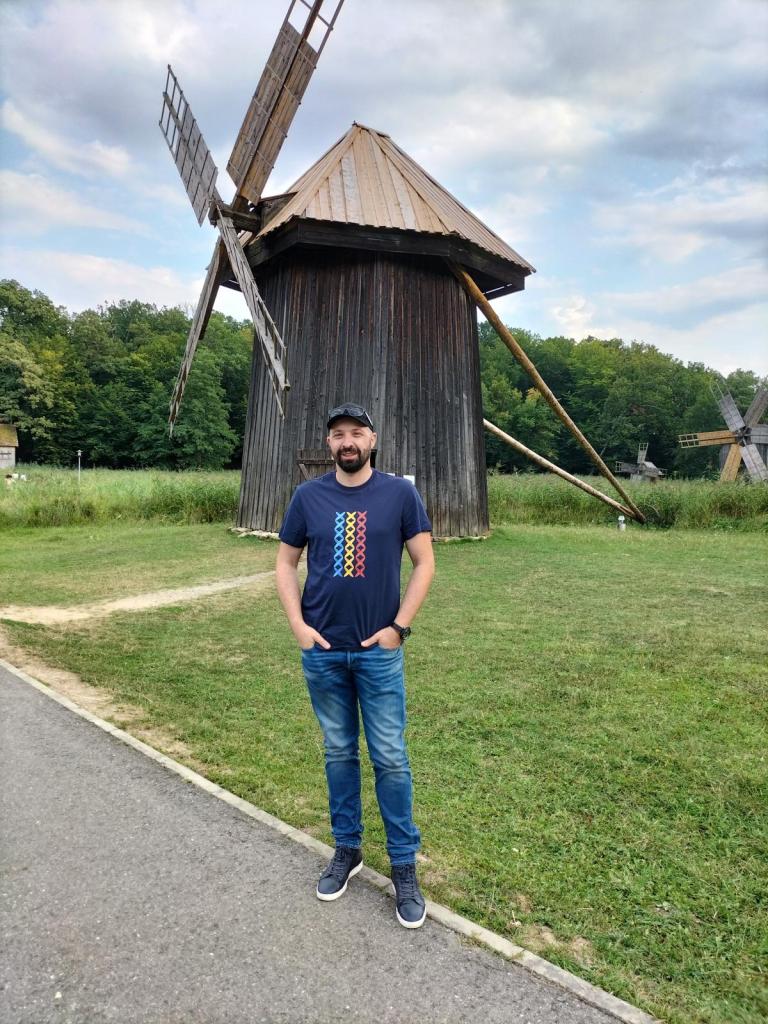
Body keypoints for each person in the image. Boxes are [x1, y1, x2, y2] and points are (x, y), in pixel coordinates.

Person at [275, 402, 435, 928]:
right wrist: (298, 626)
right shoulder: (307, 496)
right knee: (339, 752)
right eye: (339, 434)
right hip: (323, 652)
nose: (348, 442)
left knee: (390, 756)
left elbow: (425, 561)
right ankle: (347, 848)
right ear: (329, 443)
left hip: (376, 654)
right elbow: (286, 562)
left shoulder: (400, 494)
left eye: (357, 433)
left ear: (373, 439)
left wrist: (398, 629)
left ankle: (403, 865)